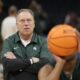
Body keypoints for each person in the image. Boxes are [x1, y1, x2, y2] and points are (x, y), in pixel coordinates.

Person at [0, 9, 54, 80]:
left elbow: (46, 63)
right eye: (22, 21)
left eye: (29, 20)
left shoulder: (43, 42)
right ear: (17, 25)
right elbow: (7, 64)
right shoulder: (8, 41)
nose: (26, 23)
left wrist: (17, 62)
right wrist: (31, 61)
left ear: (34, 24)